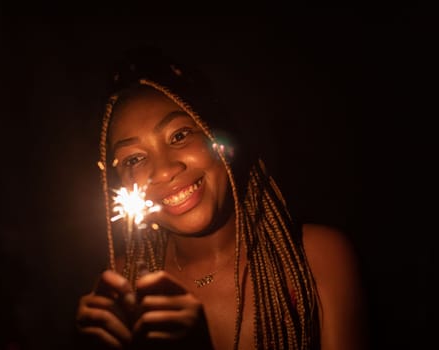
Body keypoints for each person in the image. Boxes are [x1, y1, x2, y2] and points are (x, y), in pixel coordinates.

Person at [75, 46, 366, 350]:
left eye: (179, 135)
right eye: (134, 159)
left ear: (219, 136)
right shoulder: (124, 285)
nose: (163, 171)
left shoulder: (317, 258)